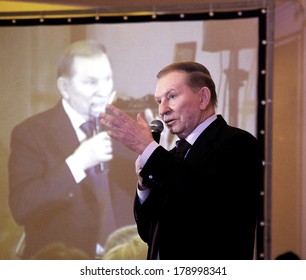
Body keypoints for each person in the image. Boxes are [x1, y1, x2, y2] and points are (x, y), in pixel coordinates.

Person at [100, 61, 262, 260]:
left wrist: (148, 148)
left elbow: (206, 204)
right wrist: (145, 184)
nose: (163, 110)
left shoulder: (237, 143)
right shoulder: (171, 156)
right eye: (159, 101)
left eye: (172, 96)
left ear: (203, 98)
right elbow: (149, 233)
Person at [8, 40, 136, 259]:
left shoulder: (125, 127)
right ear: (64, 88)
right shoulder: (30, 133)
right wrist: (78, 162)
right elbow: (22, 208)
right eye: (91, 82)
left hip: (124, 259)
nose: (103, 90)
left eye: (107, 79)